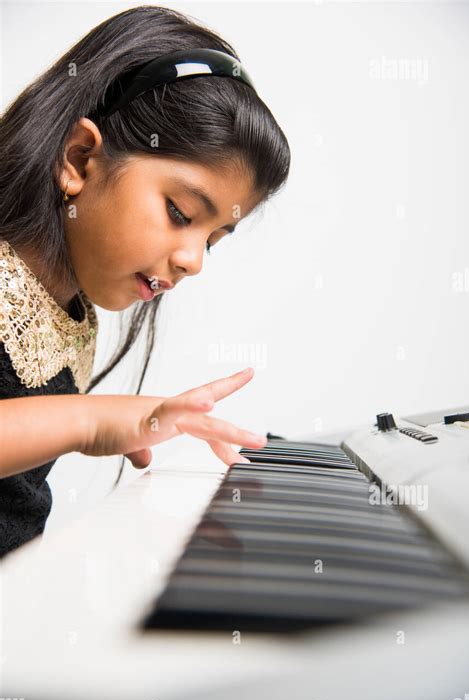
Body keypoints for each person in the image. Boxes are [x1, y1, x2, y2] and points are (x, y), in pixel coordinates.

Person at [0, 5, 291, 558]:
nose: (194, 261)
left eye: (214, 238)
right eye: (181, 213)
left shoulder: (70, 309)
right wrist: (90, 421)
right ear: (80, 158)